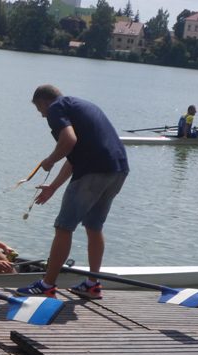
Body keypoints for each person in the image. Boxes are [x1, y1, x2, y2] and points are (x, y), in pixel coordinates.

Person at [16, 85, 129, 300]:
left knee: (63, 227)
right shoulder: (80, 105)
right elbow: (74, 156)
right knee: (94, 226)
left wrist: (50, 160)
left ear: (44, 102)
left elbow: (68, 141)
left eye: (39, 110)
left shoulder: (56, 108)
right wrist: (53, 187)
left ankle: (47, 285)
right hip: (117, 170)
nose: (42, 116)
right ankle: (92, 285)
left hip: (93, 171)